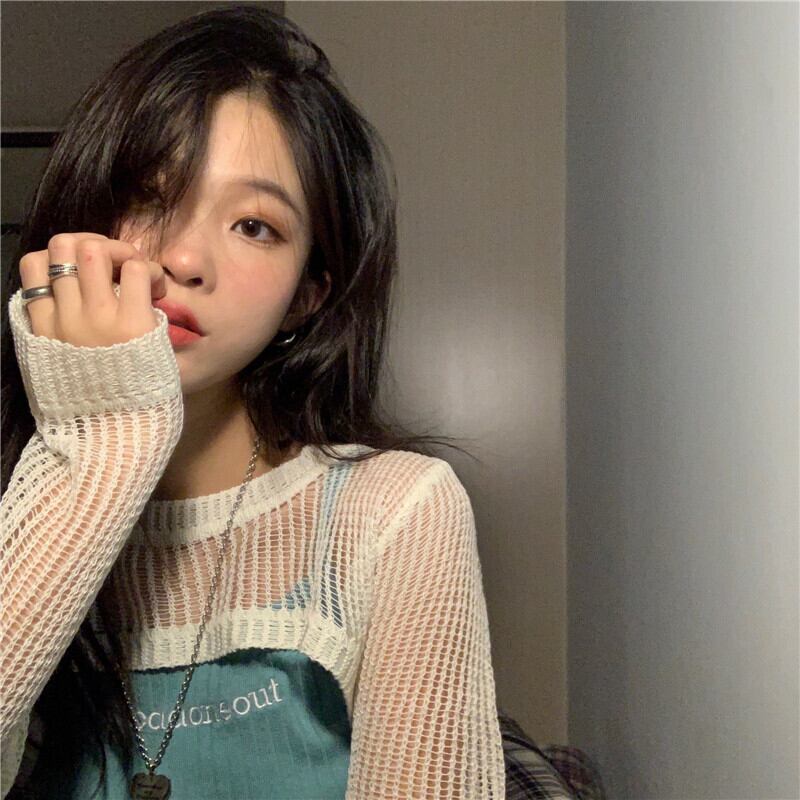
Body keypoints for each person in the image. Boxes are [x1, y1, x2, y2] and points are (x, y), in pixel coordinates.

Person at [0, 5, 505, 798]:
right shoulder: (17, 501)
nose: (184, 257)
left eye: (253, 226)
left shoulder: (394, 512)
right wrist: (98, 445)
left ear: (306, 295)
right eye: (151, 195)